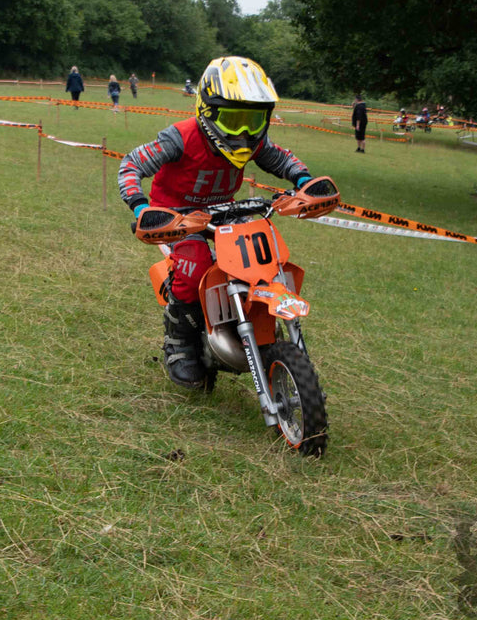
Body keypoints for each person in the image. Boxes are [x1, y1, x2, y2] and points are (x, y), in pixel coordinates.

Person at [119, 57, 329, 387]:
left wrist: (304, 181)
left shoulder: (255, 141)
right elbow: (131, 164)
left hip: (226, 210)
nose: (244, 133)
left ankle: (250, 323)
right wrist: (140, 207)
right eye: (234, 120)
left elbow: (281, 158)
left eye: (253, 120)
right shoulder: (180, 137)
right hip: (176, 217)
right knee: (195, 264)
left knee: (263, 259)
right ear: (208, 111)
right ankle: (180, 343)